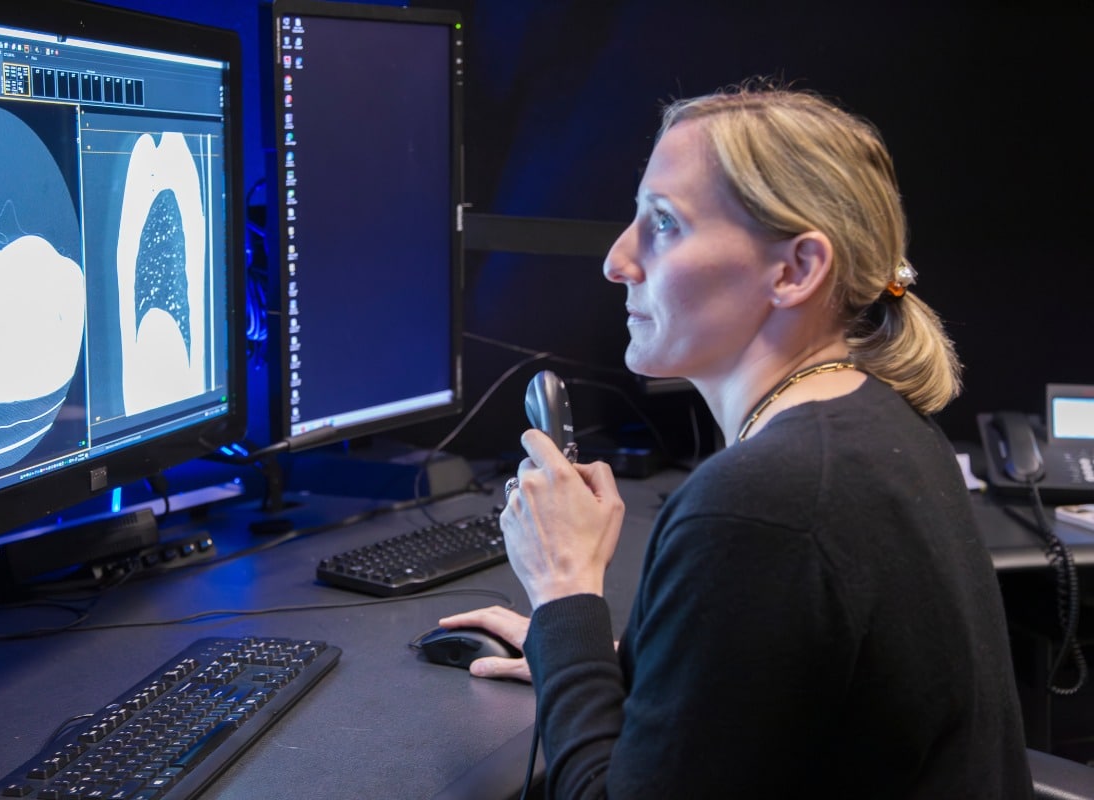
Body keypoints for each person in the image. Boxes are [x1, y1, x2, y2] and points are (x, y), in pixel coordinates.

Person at [441, 83, 1032, 797]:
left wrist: (565, 591)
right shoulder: (879, 423)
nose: (617, 260)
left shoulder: (762, 502)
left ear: (796, 270)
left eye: (664, 222)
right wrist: (592, 661)